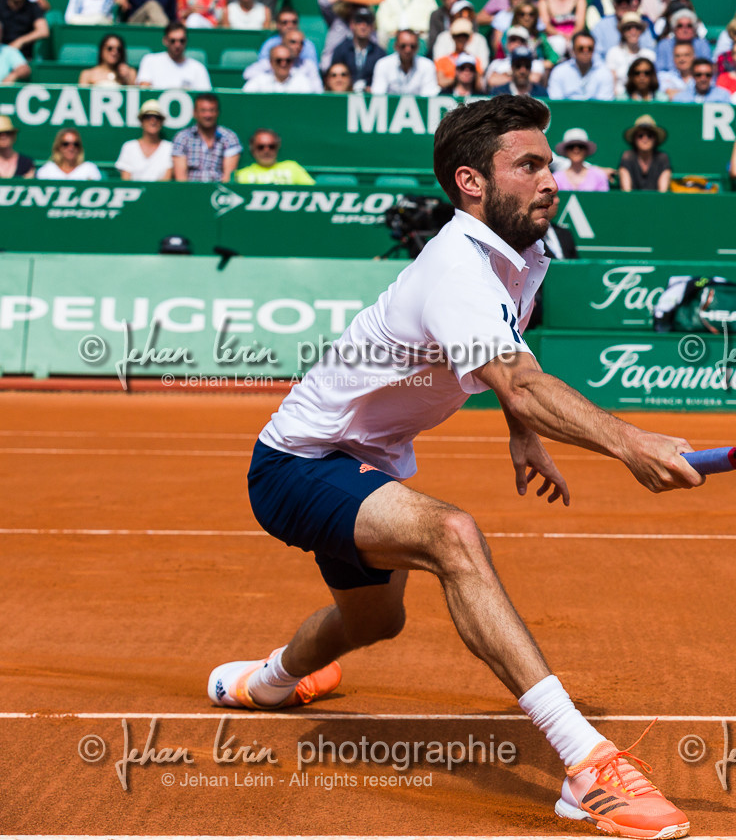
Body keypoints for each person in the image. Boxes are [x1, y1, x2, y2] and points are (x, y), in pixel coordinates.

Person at [208, 95, 697, 840]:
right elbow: (523, 378)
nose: (551, 179)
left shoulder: (523, 258)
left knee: (375, 619)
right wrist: (630, 442)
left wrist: (522, 433)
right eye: (528, 165)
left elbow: (512, 367)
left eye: (550, 163)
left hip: (369, 463)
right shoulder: (454, 266)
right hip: (298, 463)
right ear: (471, 182)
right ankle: (587, 766)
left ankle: (269, 681)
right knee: (453, 535)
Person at [172, 93, 242, 183]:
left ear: (217, 113)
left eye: (212, 110)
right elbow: (181, 179)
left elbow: (228, 178)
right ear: (195, 113)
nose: (208, 115)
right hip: (188, 192)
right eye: (203, 111)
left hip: (218, 193)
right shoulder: (182, 138)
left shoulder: (229, 138)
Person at [136, 22, 212, 90]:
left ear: (186, 41)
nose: (177, 45)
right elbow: (144, 90)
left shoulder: (198, 68)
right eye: (173, 41)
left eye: (182, 41)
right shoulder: (150, 60)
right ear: (165, 41)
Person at [327, 6, 384, 91]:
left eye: (367, 22)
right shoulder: (341, 50)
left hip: (370, 98)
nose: (363, 26)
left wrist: (373, 89)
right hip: (345, 96)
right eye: (359, 21)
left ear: (372, 26)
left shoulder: (379, 53)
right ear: (352, 25)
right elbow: (333, 77)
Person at [115, 99, 174, 181]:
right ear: (141, 121)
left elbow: (165, 182)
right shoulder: (129, 147)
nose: (153, 121)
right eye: (148, 117)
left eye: (157, 117)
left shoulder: (169, 148)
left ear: (161, 121)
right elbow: (126, 182)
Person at [546, 32, 614, 101]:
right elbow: (556, 102)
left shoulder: (604, 73)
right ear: (573, 49)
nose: (585, 51)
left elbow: (604, 105)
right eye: (581, 48)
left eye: (590, 48)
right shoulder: (559, 71)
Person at [371, 29, 441, 96]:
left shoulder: (427, 65)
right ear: (396, 46)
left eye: (412, 46)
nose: (408, 50)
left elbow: (429, 97)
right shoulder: (383, 64)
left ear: (417, 47)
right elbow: (378, 95)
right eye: (403, 46)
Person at [235, 129, 315, 185]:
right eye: (260, 147)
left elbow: (313, 191)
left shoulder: (292, 167)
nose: (266, 151)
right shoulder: (241, 175)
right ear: (252, 149)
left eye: (272, 146)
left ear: (278, 147)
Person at [617, 116, 671, 193]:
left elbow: (662, 193)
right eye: (640, 136)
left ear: (655, 139)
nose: (645, 139)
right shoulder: (627, 157)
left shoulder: (663, 158)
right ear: (634, 139)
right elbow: (626, 192)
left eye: (649, 136)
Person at [552, 128, 609, 193]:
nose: (576, 150)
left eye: (580, 146)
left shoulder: (599, 176)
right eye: (571, 146)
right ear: (566, 150)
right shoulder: (556, 178)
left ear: (586, 150)